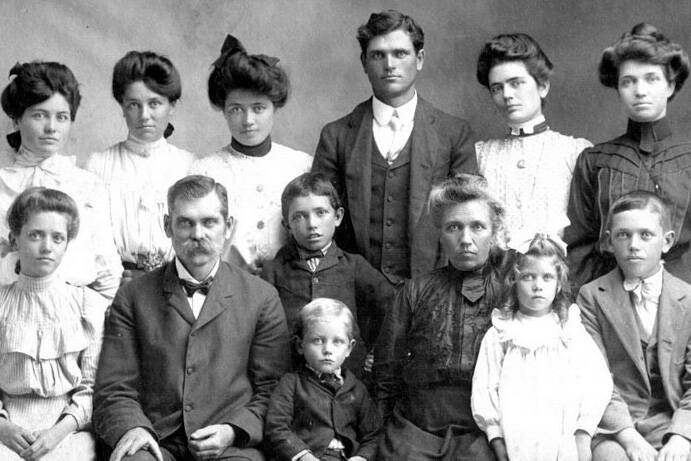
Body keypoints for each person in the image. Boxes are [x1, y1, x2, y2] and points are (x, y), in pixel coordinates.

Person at [93, 175, 289, 461]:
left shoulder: (261, 297)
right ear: (166, 226)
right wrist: (133, 427)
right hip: (156, 439)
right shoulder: (133, 296)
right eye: (185, 222)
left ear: (228, 226)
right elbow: (114, 387)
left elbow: (274, 388)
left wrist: (233, 430)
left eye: (209, 222)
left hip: (231, 444)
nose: (198, 234)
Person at [312, 9, 477, 284]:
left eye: (400, 53)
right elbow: (321, 220)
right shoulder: (337, 135)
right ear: (364, 62)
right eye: (378, 55)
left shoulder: (453, 133)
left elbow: (467, 219)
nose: (390, 64)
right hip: (356, 295)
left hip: (434, 289)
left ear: (419, 59)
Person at [374, 175, 509, 460]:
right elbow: (387, 372)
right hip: (416, 426)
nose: (465, 239)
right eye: (453, 228)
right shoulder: (415, 291)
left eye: (477, 227)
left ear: (494, 232)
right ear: (440, 234)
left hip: (486, 430)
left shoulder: (512, 291)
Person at [565, 23, 691, 289]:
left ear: (670, 86)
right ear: (618, 90)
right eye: (628, 81)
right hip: (609, 297)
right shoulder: (595, 161)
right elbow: (580, 249)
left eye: (651, 79)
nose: (640, 91)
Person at [471, 234, 612, 461]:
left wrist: (583, 432)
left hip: (562, 435)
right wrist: (496, 437)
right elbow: (485, 386)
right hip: (515, 437)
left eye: (547, 277)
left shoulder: (569, 330)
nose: (538, 286)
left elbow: (597, 381)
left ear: (558, 286)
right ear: (513, 283)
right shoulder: (501, 332)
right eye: (528, 277)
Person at [578, 191, 691, 461]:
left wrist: (682, 435)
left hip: (673, 419)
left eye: (645, 235)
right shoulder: (592, 296)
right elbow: (593, 378)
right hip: (615, 425)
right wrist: (629, 438)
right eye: (623, 235)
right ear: (609, 242)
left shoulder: (688, 299)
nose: (633, 245)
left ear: (667, 241)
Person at [191, 35, 312, 275]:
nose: (248, 121)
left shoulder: (300, 165)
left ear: (274, 107)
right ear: (224, 111)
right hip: (226, 288)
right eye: (236, 109)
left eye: (258, 108)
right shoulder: (205, 170)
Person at [0, 187, 106, 460]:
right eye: (35, 235)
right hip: (6, 430)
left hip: (69, 430)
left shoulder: (88, 305)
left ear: (67, 244)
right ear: (14, 239)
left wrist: (58, 432)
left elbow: (91, 387)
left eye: (57, 238)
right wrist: (4, 428)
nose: (47, 247)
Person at [0, 61, 122, 299]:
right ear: (16, 119)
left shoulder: (88, 185)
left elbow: (106, 267)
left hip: (74, 315)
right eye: (39, 115)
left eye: (62, 117)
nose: (51, 128)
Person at [262, 172, 395, 379]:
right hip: (293, 376)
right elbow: (262, 326)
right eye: (299, 216)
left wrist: (375, 349)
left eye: (321, 212)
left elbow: (392, 306)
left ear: (338, 217)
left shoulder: (354, 266)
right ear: (287, 225)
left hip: (350, 374)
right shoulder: (274, 270)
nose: (312, 224)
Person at [84, 51, 195, 278]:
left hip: (177, 285)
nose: (145, 115)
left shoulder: (190, 165)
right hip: (116, 286)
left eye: (155, 103)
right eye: (134, 105)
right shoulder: (99, 165)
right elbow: (92, 240)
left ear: (171, 106)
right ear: (122, 107)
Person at [475, 33, 591, 243]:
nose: (507, 94)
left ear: (543, 86)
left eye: (516, 83)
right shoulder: (481, 155)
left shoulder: (575, 152)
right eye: (497, 88)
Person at [264, 298, 381, 461]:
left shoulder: (357, 389)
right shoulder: (291, 384)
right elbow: (276, 427)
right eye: (317, 341)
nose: (328, 350)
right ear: (300, 345)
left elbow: (373, 435)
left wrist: (362, 457)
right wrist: (303, 455)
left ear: (349, 348)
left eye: (338, 342)